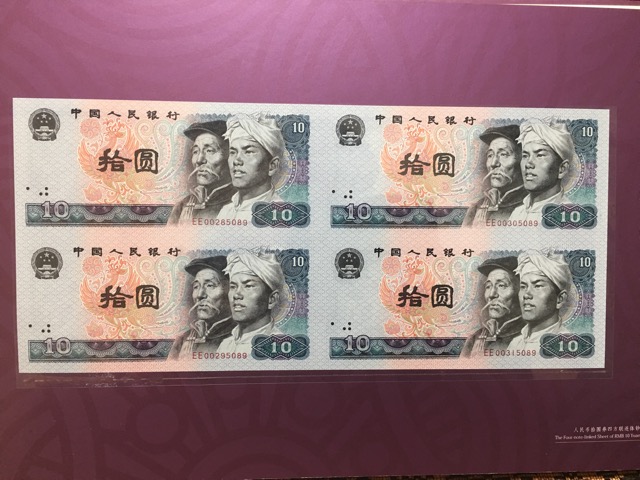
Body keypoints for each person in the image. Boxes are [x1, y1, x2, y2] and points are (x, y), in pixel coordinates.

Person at [217, 113, 285, 221]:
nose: (236, 161)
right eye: (233, 152)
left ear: (272, 166)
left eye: (248, 152)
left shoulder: (280, 214)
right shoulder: (225, 211)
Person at [217, 248, 285, 354]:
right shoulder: (225, 345)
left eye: (248, 286)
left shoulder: (280, 346)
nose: (236, 295)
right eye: (233, 286)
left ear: (272, 299)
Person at [168, 121, 234, 224]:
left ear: (231, 155)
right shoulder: (182, 206)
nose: (199, 160)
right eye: (196, 151)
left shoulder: (241, 203)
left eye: (209, 151)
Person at [509, 119, 576, 222]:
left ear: (562, 169)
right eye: (525, 155)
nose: (528, 164)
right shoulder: (517, 213)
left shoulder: (568, 216)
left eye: (540, 155)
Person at [169, 256, 234, 359]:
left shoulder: (242, 337)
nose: (200, 295)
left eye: (210, 285)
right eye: (196, 286)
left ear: (231, 290)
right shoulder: (183, 340)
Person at [507, 250, 572, 351]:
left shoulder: (567, 345)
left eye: (537, 286)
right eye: (523, 286)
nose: (526, 295)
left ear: (560, 299)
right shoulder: (515, 344)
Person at [464, 125, 527, 226]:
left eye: (503, 154)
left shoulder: (533, 205)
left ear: (522, 159)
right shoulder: (477, 208)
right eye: (490, 155)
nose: (493, 163)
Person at [461, 256, 525, 357]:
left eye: (501, 285)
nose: (491, 294)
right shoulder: (475, 338)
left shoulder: (530, 335)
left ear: (520, 291)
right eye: (488, 286)